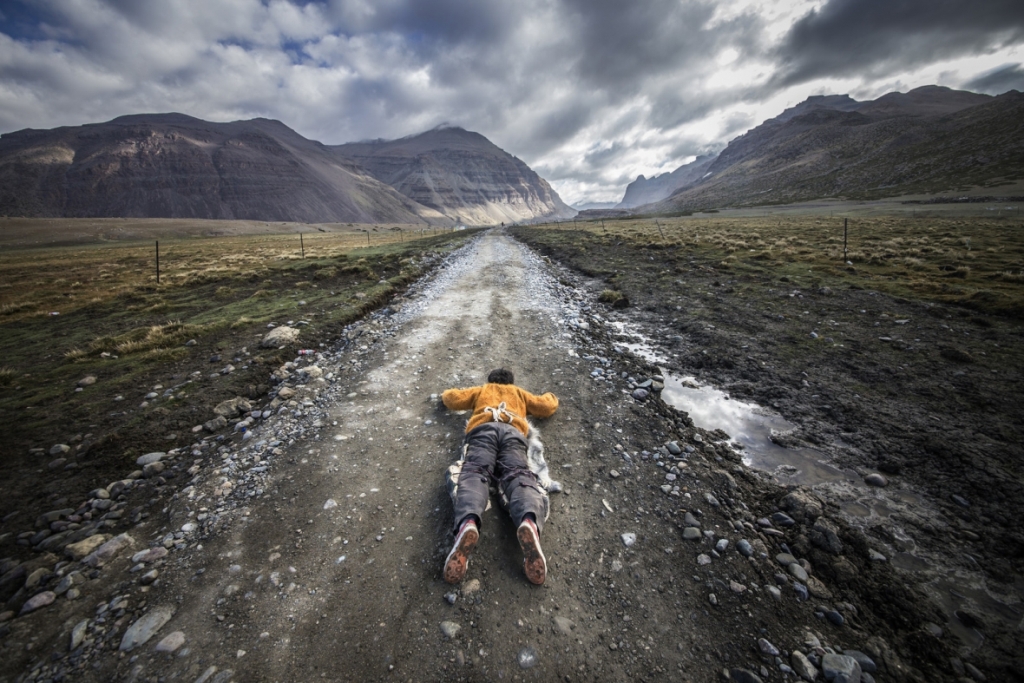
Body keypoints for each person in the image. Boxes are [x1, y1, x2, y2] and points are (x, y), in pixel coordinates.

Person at [440, 368, 558, 585]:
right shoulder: (520, 394)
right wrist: (552, 396)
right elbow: (546, 406)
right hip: (513, 433)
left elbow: (452, 399)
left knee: (475, 471)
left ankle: (468, 521)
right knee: (518, 473)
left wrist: (445, 394)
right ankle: (529, 520)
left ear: (490, 380)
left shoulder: (482, 390)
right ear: (511, 383)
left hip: (482, 431)